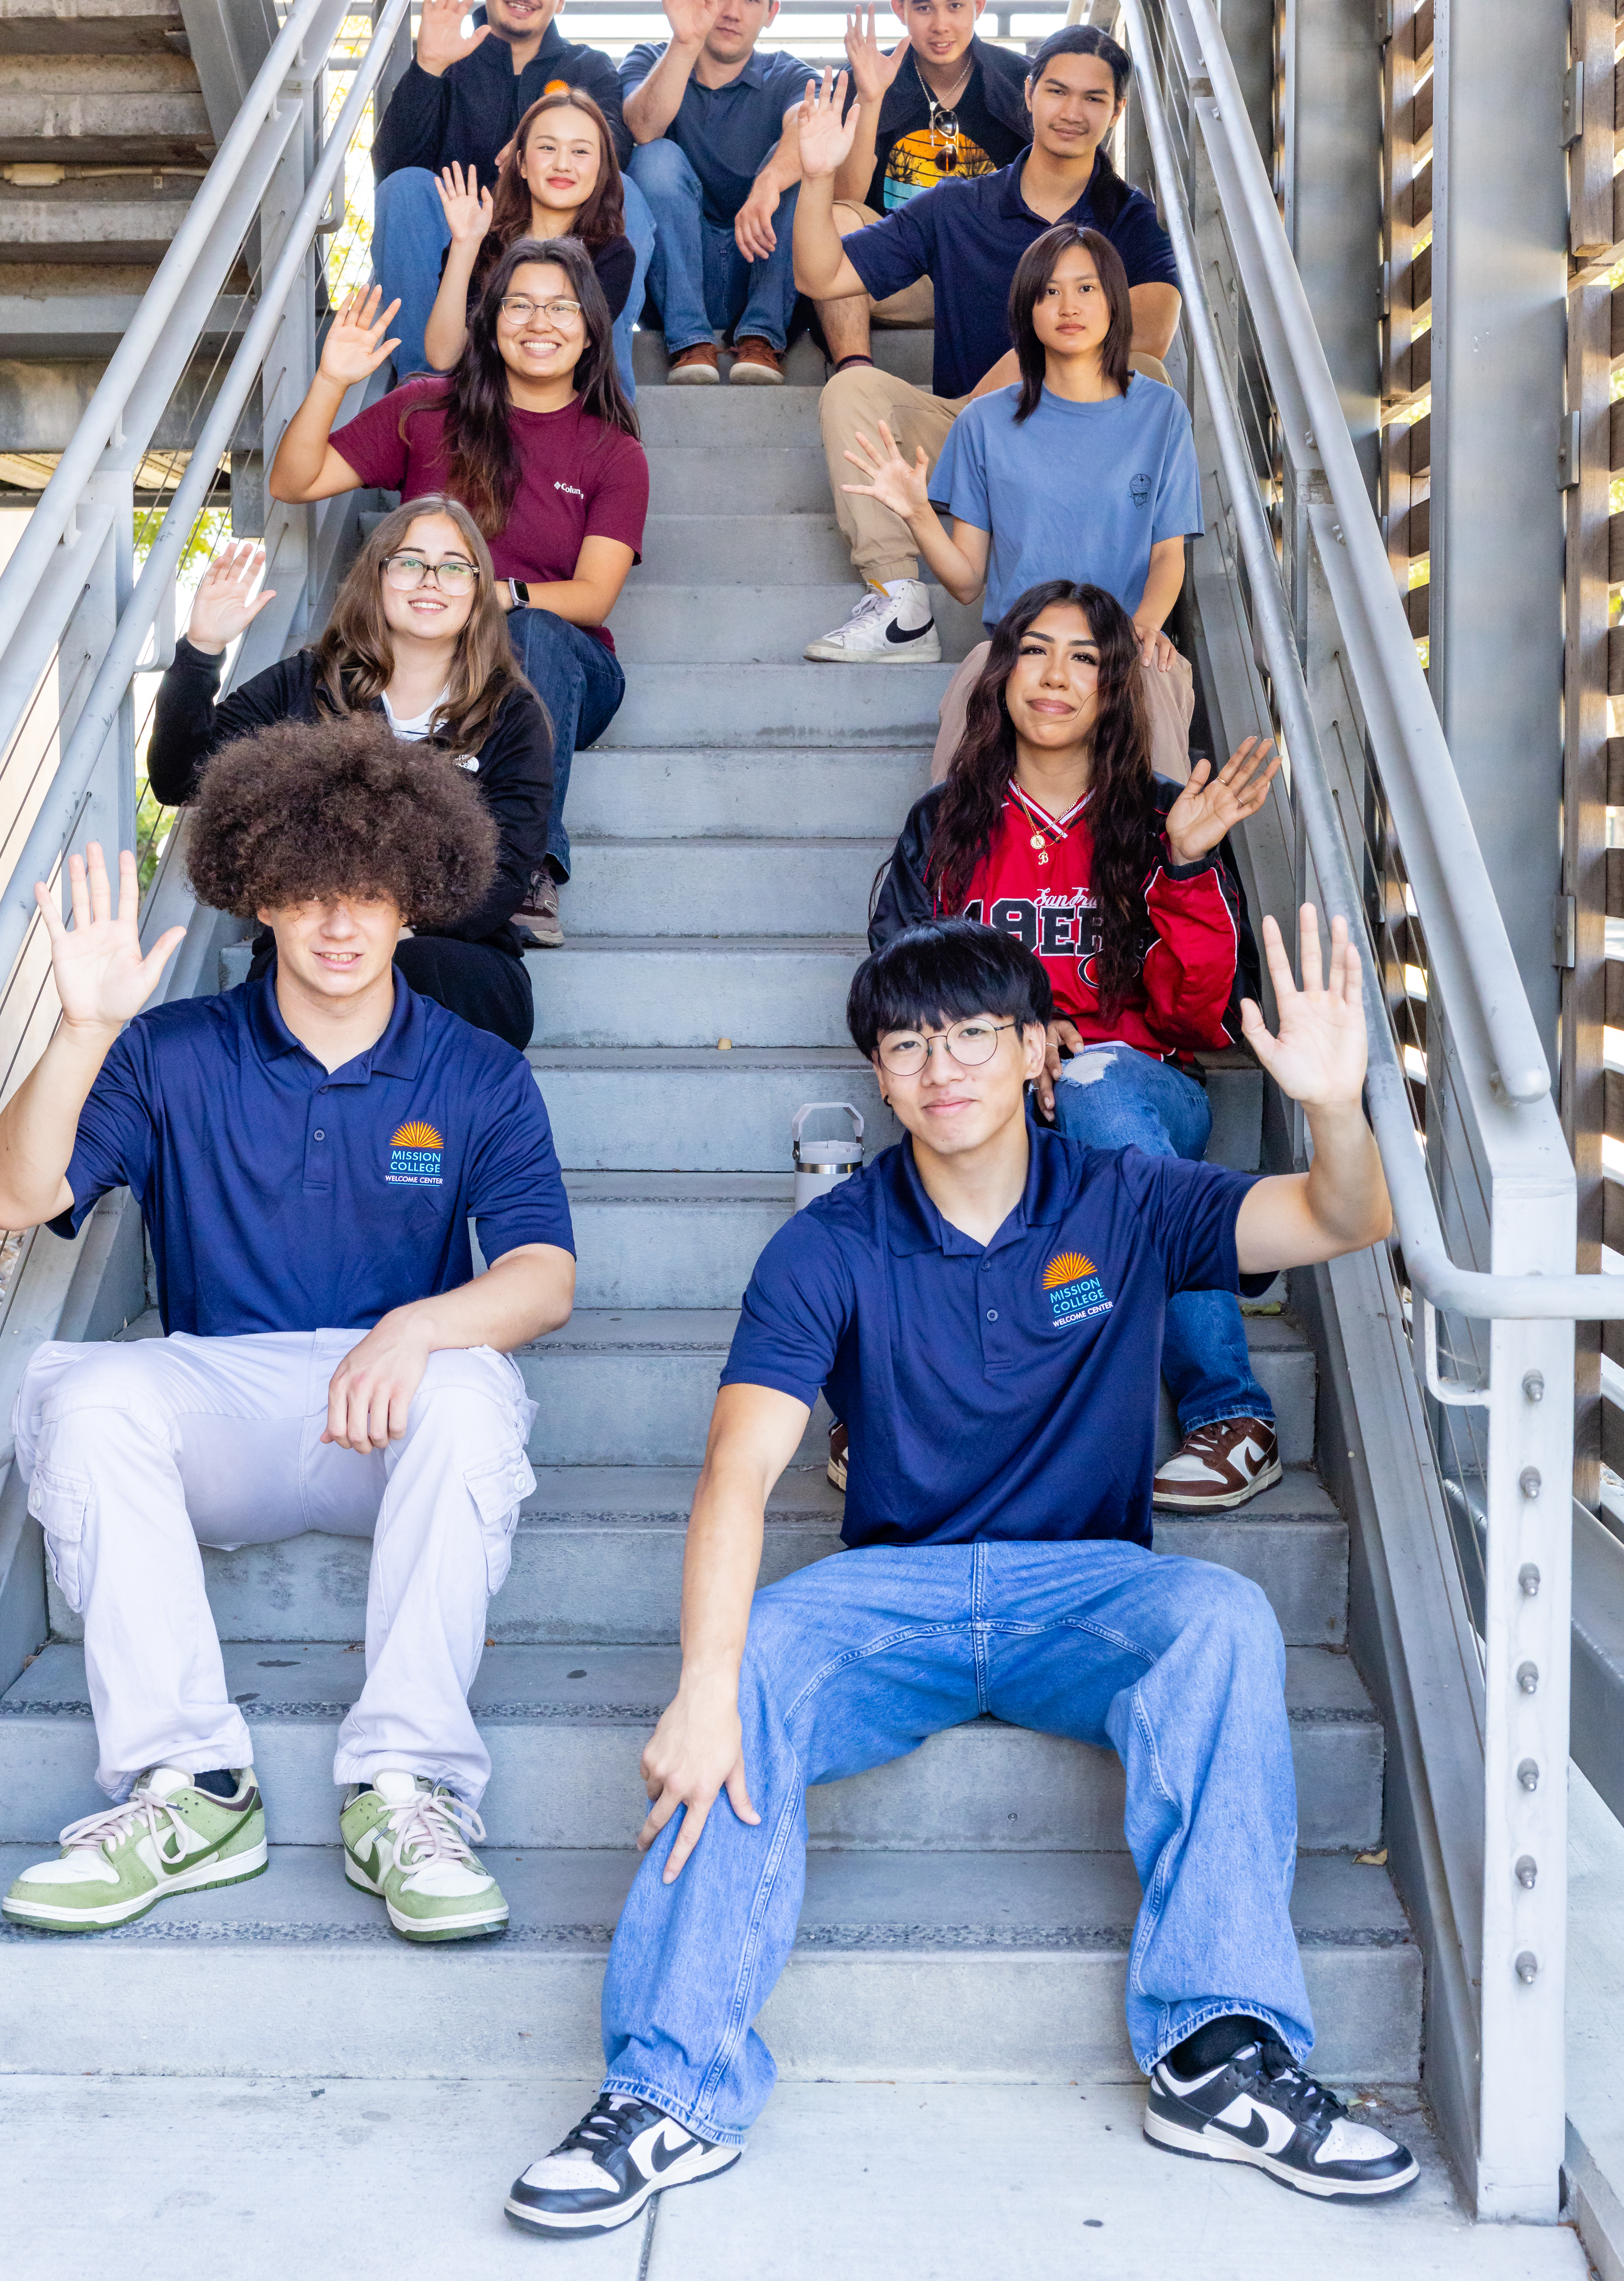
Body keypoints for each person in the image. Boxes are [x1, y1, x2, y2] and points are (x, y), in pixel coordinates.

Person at [506, 909, 1420, 2236]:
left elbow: (1347, 1213)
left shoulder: (1127, 1200)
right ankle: (671, 2088)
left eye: (977, 1035)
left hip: (1084, 1589)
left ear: (1043, 1051)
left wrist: (1336, 1108)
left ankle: (1216, 2053)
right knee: (750, 1659)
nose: (944, 1067)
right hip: (895, 1600)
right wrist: (705, 1684)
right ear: (878, 1076)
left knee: (1220, 1616)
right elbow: (737, 1476)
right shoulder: (828, 1245)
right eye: (908, 1043)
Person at [0, 723, 576, 1944]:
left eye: (365, 894)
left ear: (414, 902)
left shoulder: (475, 1071)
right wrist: (84, 1031)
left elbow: (541, 1277)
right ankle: (190, 1787)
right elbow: (9, 1198)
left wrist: (419, 1326)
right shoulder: (171, 1049)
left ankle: (407, 1786)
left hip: (391, 1413)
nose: (339, 925)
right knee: (84, 1396)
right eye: (305, 896)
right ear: (258, 899)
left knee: (471, 1392)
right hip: (223, 1400)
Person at [872, 578, 1285, 1510]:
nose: (1055, 675)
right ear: (1003, 672)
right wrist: (1014, 1027)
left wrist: (1182, 866)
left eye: (1085, 657)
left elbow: (1199, 1019)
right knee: (970, 1108)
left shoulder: (1163, 815)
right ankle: (901, 1401)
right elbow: (899, 981)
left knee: (1097, 1089)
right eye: (1035, 650)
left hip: (1142, 1090)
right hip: (998, 1091)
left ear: (1113, 686)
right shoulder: (945, 823)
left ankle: (1232, 1412)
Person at [269, 236, 648, 949]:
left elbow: (593, 597)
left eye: (560, 307)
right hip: (423, 664)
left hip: (558, 672)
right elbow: (294, 482)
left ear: (592, 326)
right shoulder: (424, 411)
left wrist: (492, 597)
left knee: (531, 630)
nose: (540, 322)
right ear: (491, 320)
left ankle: (528, 863)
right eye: (520, 305)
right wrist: (329, 380)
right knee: (353, 660)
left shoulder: (613, 451)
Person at [792, 27, 1184, 664]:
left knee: (1142, 372)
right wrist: (815, 178)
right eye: (1056, 90)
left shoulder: (1126, 215)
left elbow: (1155, 325)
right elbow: (821, 276)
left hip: (1071, 445)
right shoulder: (959, 206)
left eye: (1093, 98)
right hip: (972, 435)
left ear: (1116, 113)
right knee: (853, 388)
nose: (1071, 111)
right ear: (1027, 94)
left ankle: (1128, 611)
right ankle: (899, 604)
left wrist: (1025, 366)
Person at [146, 496, 553, 1048]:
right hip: (313, 940)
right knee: (312, 983)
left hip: (457, 952)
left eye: (454, 567)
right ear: (377, 576)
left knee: (410, 971)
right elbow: (179, 779)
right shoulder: (304, 683)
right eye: (410, 562)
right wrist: (201, 650)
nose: (430, 580)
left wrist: (387, 931)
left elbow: (503, 875)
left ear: (477, 591)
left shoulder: (511, 714)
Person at [843, 223, 1202, 783]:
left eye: (1085, 288)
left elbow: (1166, 553)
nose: (1067, 306)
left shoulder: (1160, 413)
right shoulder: (981, 423)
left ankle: (1175, 867)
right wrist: (916, 512)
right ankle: (943, 868)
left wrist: (1144, 627)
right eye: (1048, 291)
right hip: (1021, 648)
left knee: (1153, 682)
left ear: (1113, 302)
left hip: (1120, 639)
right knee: (973, 680)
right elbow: (965, 582)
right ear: (1026, 310)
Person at [369, 0, 654, 387]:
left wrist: (541, 138)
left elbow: (613, 150)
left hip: (558, 239)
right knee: (403, 188)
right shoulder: (450, 58)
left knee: (625, 189)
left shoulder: (587, 66)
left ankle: (607, 385)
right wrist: (428, 66)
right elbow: (394, 164)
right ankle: (423, 384)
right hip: (460, 242)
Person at [818, 0, 1034, 374]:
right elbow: (846, 199)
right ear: (900, 9)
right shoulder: (868, 76)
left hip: (993, 274)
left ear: (979, 4)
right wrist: (871, 99)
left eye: (955, 6)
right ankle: (854, 373)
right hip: (903, 274)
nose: (940, 25)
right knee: (836, 218)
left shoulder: (1020, 80)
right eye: (923, 8)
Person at [622, 0, 820, 385]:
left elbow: (809, 125)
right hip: (675, 277)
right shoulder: (653, 58)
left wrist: (769, 182)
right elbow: (643, 127)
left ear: (771, 13)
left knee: (800, 161)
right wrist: (685, 41)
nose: (731, 11)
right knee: (654, 158)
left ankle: (763, 337)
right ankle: (689, 342)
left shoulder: (788, 73)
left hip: (764, 267)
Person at [422, 88, 645, 400]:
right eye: (547, 148)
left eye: (580, 152)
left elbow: (561, 359)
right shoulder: (480, 243)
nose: (563, 165)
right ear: (523, 164)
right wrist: (464, 245)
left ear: (601, 168)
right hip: (483, 408)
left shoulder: (613, 255)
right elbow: (443, 357)